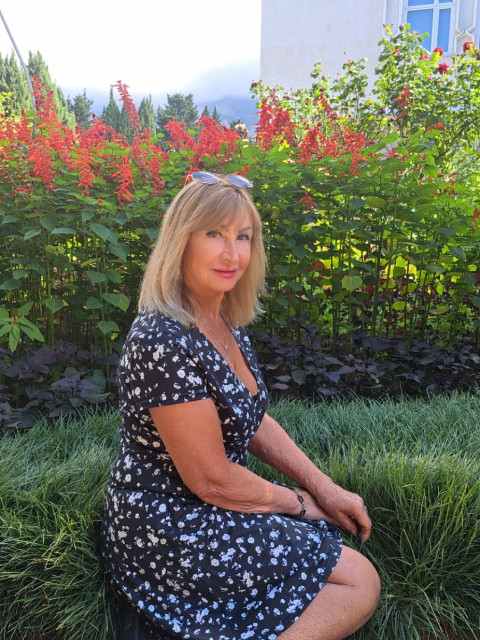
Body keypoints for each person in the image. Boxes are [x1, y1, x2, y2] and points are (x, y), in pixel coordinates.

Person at [100, 171, 381, 640]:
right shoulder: (161, 339)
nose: (232, 254)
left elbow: (250, 417)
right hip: (168, 523)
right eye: (214, 234)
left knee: (333, 551)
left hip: (210, 504)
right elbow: (211, 479)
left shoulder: (222, 321)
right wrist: (299, 504)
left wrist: (324, 487)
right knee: (357, 581)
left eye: (243, 236)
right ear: (181, 242)